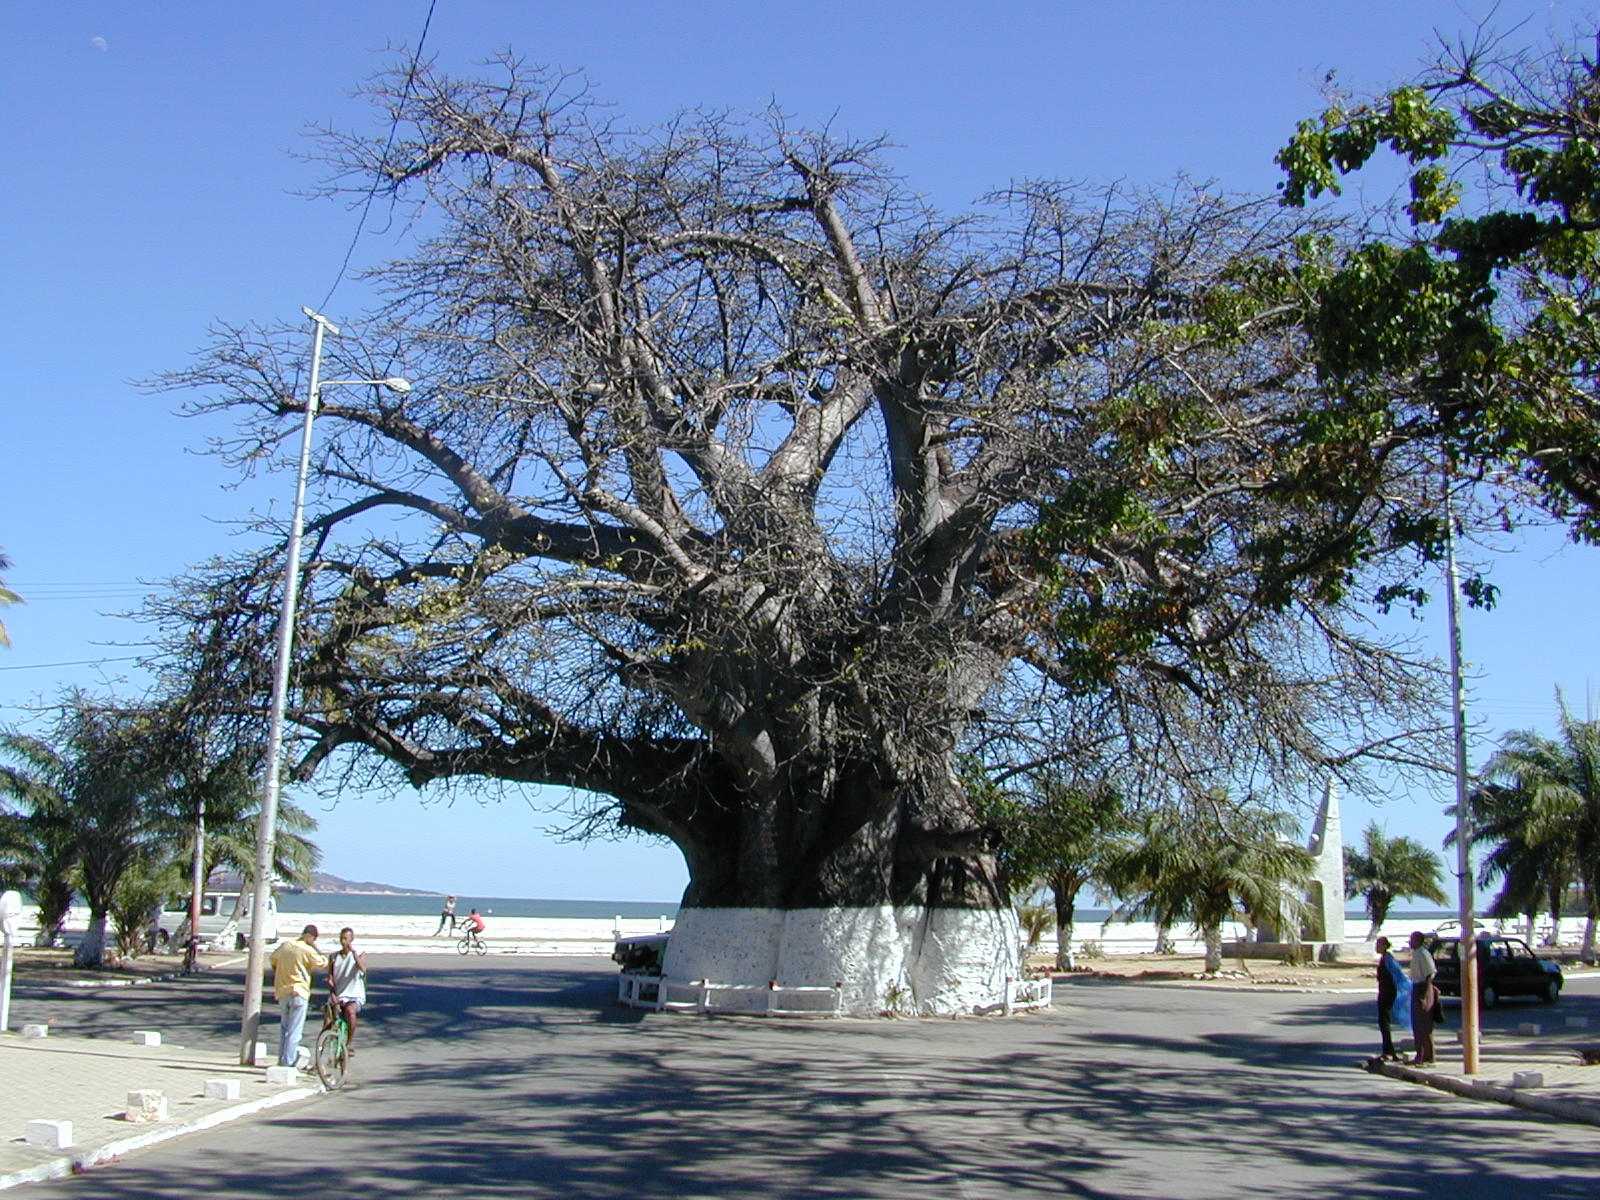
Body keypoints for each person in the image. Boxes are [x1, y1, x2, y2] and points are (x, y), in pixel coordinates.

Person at [270, 924, 325, 1067]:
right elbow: (322, 963)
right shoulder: (307, 950)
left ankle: (282, 1059)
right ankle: (288, 1061)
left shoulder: (286, 945)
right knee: (295, 1030)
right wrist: (315, 947)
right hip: (299, 991)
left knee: (284, 1027)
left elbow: (273, 959)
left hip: (283, 991)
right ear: (311, 937)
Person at [327, 926, 369, 1053]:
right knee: (328, 1018)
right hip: (339, 994)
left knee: (351, 1012)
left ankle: (349, 1043)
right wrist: (332, 992)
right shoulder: (333, 957)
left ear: (351, 939)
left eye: (346, 939)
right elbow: (330, 977)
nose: (343, 941)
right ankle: (322, 1046)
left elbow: (363, 968)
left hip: (354, 995)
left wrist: (354, 953)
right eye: (341, 938)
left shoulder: (359, 954)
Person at [1374, 936, 1411, 1061]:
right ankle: (1388, 1050)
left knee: (1384, 1022)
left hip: (1388, 993)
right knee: (1383, 1022)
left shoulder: (1388, 959)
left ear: (1385, 946)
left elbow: (1396, 975)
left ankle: (1389, 1051)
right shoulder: (1384, 958)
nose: (1376, 947)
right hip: (1385, 992)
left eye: (1379, 945)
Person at [1407, 929, 1437, 1065]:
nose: (1410, 942)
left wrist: (1424, 995)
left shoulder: (1423, 954)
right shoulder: (1416, 954)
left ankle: (1427, 1056)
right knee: (1417, 1026)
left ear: (1418, 941)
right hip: (1416, 986)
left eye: (1412, 939)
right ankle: (1421, 1055)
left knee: (1423, 1025)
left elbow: (1430, 974)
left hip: (1423, 988)